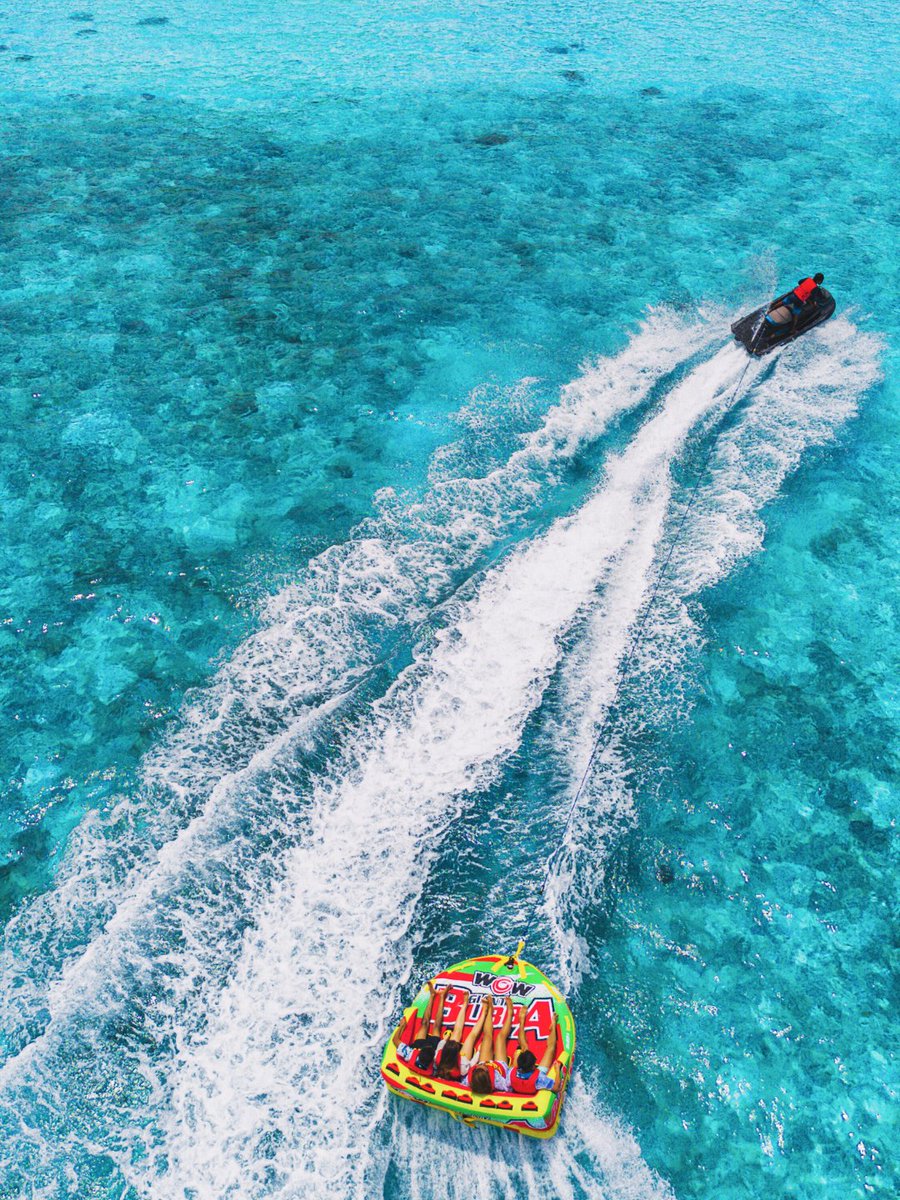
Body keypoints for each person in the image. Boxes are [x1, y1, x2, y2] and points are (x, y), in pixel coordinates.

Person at [505, 1004, 562, 1095]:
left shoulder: (511, 1073)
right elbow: (556, 1088)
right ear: (533, 1067)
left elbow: (507, 1086)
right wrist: (557, 1070)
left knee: (523, 1047)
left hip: (519, 1076)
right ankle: (553, 1025)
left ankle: (522, 1021)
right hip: (533, 1082)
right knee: (550, 1048)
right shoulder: (539, 1078)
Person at [392, 981, 445, 1074]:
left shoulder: (409, 1054)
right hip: (433, 1047)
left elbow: (395, 1040)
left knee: (425, 1023)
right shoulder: (435, 1066)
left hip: (420, 1045)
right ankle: (441, 997)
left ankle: (433, 995)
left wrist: (402, 1026)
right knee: (436, 1026)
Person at [467, 995, 515, 1094]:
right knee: (500, 1038)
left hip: (487, 1069)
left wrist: (480, 1064)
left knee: (487, 1037)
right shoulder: (498, 1082)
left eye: (477, 1067)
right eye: (483, 1067)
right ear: (487, 1074)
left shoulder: (471, 1079)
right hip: (499, 1067)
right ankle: (510, 1012)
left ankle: (490, 1011)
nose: (483, 1064)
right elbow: (509, 1087)